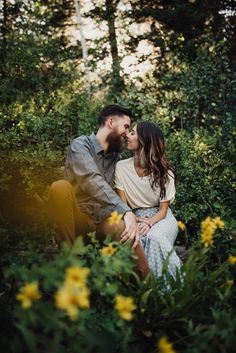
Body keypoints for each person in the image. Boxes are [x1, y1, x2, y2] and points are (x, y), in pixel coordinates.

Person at [47, 104, 149, 278]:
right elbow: (91, 180)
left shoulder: (116, 158)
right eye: (125, 126)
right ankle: (70, 263)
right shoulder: (80, 145)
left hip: (102, 220)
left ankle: (147, 285)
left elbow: (120, 192)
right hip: (78, 219)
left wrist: (137, 216)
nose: (127, 133)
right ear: (110, 122)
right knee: (59, 187)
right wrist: (126, 212)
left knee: (123, 228)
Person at [114, 122, 182, 279]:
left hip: (161, 218)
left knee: (154, 237)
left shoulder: (165, 172)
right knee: (138, 240)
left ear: (144, 140)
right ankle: (149, 292)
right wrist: (136, 219)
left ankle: (176, 286)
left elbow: (163, 210)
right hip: (133, 216)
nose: (127, 135)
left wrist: (149, 223)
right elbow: (123, 205)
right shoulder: (121, 167)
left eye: (132, 133)